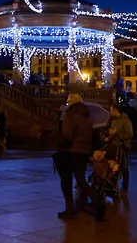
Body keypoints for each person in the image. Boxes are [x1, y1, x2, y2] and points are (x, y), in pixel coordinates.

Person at [54, 93, 104, 221]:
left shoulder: (70, 115)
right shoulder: (87, 117)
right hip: (84, 152)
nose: (67, 103)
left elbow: (67, 136)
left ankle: (70, 209)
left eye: (68, 101)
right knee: (81, 180)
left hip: (71, 151)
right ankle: (98, 201)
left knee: (66, 180)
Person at [105, 103, 133, 194]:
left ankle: (125, 186)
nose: (110, 112)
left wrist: (117, 133)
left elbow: (129, 134)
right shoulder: (112, 120)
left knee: (124, 166)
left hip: (123, 146)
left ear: (115, 110)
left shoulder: (125, 120)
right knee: (113, 165)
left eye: (111, 110)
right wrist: (109, 135)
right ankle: (113, 184)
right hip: (113, 146)